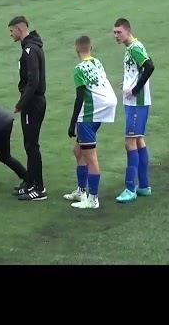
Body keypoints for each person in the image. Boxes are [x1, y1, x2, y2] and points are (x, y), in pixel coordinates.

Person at [64, 36, 117, 209]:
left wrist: (73, 122)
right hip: (104, 109)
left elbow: (80, 96)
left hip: (89, 115)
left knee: (90, 157)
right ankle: (81, 191)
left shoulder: (79, 69)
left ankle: (93, 199)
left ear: (76, 48)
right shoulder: (97, 62)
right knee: (78, 150)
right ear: (91, 47)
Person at [113, 18, 155, 203]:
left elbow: (149, 66)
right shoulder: (131, 48)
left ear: (128, 31)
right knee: (138, 140)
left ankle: (130, 188)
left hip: (137, 103)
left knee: (129, 141)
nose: (116, 36)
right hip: (135, 102)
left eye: (119, 32)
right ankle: (144, 186)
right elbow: (138, 70)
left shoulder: (135, 48)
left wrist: (135, 89)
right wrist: (130, 83)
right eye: (114, 32)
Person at [8, 16, 47, 200]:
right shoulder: (31, 47)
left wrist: (21, 103)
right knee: (28, 144)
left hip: (33, 103)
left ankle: (39, 188)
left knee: (32, 145)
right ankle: (30, 181)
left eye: (11, 31)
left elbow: (33, 81)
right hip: (33, 102)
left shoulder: (30, 50)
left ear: (18, 29)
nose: (11, 34)